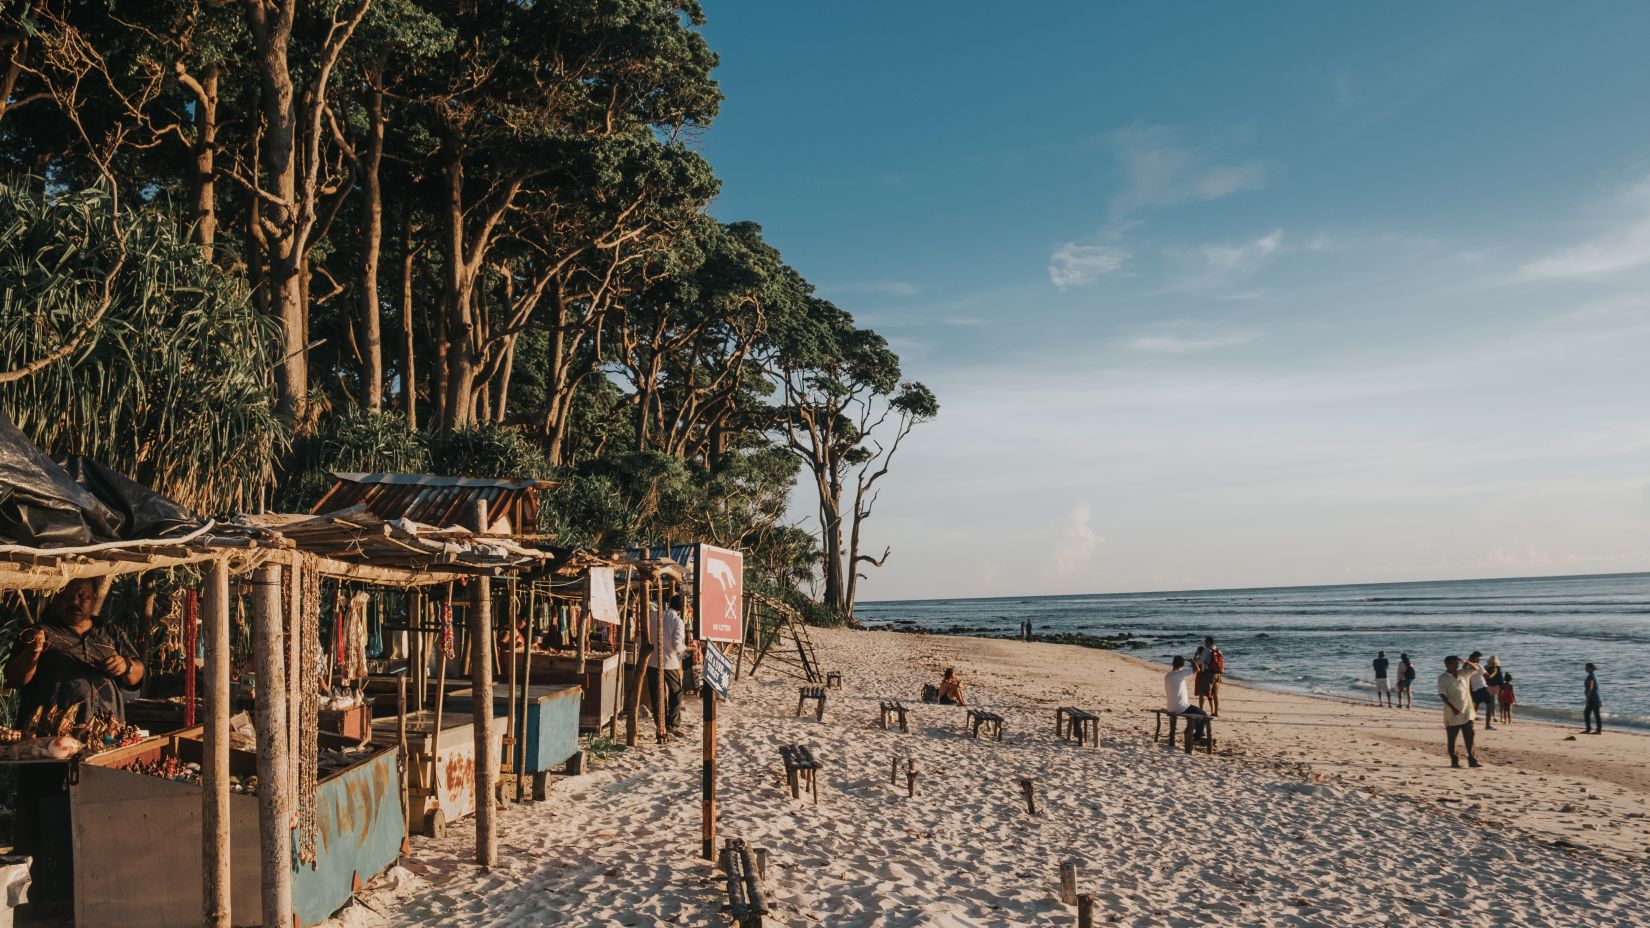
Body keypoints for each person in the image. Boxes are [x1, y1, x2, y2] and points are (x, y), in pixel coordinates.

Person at [5, 578, 144, 723]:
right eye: (67, 597)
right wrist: (32, 652)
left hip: (106, 731)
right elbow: (16, 679)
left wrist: (127, 666)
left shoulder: (111, 632)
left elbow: (137, 675)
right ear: (56, 597)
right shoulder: (37, 634)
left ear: (95, 598)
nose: (75, 602)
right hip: (51, 735)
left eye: (83, 596)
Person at [643, 592, 687, 736]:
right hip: (669, 662)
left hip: (652, 661)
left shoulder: (654, 615)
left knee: (657, 695)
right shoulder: (677, 621)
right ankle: (672, 725)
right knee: (676, 692)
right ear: (681, 608)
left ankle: (660, 725)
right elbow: (677, 645)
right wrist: (685, 648)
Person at [1437, 655, 1480, 768]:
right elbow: (1442, 695)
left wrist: (1466, 661)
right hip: (1452, 714)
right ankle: (1454, 761)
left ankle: (1472, 760)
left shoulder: (1463, 673)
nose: (1457, 665)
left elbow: (1476, 669)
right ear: (1447, 664)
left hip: (1467, 710)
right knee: (1452, 738)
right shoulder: (1443, 678)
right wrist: (1453, 708)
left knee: (1470, 736)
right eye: (1454, 663)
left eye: (1458, 663)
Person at [1164, 656, 1209, 742]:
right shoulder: (1180, 674)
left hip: (1170, 707)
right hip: (1181, 707)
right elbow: (1197, 669)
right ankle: (1197, 738)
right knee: (1203, 714)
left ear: (1173, 664)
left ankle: (1197, 734)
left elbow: (1191, 671)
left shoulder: (1168, 675)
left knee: (1196, 713)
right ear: (1182, 665)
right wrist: (1192, 661)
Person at [1192, 636, 1223, 717]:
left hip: (1208, 674)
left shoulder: (1206, 650)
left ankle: (1201, 711)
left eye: (1206, 642)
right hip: (1217, 674)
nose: (1205, 643)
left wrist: (1194, 659)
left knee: (1202, 692)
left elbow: (1200, 662)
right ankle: (1216, 712)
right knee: (1215, 694)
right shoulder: (1218, 650)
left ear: (1209, 642)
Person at [1463, 651, 1494, 730]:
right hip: (1483, 688)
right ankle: (1487, 725)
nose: (1480, 659)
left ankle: (1471, 724)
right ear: (1475, 658)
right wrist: (1495, 672)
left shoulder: (1466, 667)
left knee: (1475, 707)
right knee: (1489, 705)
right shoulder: (1479, 666)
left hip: (1474, 690)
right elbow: (1488, 677)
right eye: (1479, 658)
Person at [1482, 657, 1505, 727]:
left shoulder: (1496, 667)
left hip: (1494, 685)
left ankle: (1500, 716)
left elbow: (1500, 677)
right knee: (1495, 702)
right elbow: (1500, 677)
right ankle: (1497, 716)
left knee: (1497, 702)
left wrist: (1502, 686)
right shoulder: (1486, 667)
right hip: (1492, 686)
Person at [1583, 663, 1602, 734]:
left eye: (1586, 667)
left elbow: (1590, 688)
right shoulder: (1592, 675)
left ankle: (1596, 730)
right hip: (1595, 698)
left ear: (1590, 668)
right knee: (1592, 714)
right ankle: (1593, 730)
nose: (1585, 669)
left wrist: (1587, 697)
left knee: (1589, 713)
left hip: (1593, 698)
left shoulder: (1591, 676)